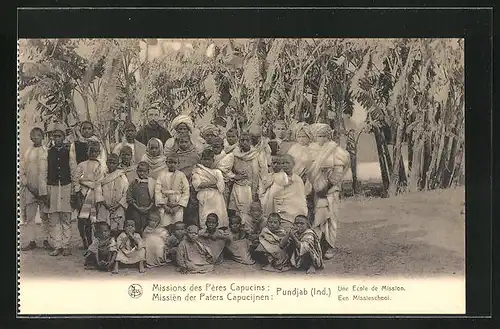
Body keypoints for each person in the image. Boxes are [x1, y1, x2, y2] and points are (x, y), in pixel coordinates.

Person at [308, 123, 350, 259]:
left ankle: (329, 246)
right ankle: (316, 245)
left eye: (323, 136)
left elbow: (338, 172)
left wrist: (325, 188)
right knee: (314, 217)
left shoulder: (335, 150)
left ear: (328, 136)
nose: (321, 139)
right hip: (313, 189)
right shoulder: (310, 149)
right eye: (318, 136)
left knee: (330, 217)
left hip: (330, 190)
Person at [42, 123, 76, 256]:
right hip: (53, 187)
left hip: (66, 187)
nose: (57, 139)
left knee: (66, 217)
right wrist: (45, 191)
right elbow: (44, 173)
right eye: (54, 136)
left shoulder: (69, 152)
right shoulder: (48, 153)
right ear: (52, 138)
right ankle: (57, 245)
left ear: (64, 137)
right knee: (54, 218)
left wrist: (74, 189)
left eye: (59, 136)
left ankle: (66, 245)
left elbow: (73, 171)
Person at [20, 127, 50, 251]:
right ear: (30, 137)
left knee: (45, 216)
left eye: (38, 135)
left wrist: (45, 190)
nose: (36, 137)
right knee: (30, 217)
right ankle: (32, 241)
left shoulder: (47, 152)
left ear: (42, 137)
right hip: (30, 189)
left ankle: (46, 240)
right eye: (33, 135)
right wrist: (28, 184)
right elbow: (22, 170)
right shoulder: (27, 152)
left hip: (44, 190)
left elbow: (50, 171)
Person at [229, 132, 267, 229]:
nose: (244, 142)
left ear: (251, 142)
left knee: (253, 213)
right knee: (241, 213)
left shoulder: (257, 154)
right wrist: (234, 176)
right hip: (240, 188)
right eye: (242, 140)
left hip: (254, 188)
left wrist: (260, 190)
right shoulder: (234, 153)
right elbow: (224, 169)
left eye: (247, 140)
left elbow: (263, 172)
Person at [262, 155, 308, 232]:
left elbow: (301, 199)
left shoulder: (298, 180)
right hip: (277, 211)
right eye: (283, 163)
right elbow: (271, 195)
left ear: (293, 164)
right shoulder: (275, 177)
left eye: (287, 163)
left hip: (294, 213)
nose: (285, 165)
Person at [74, 141, 105, 250]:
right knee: (83, 219)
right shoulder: (82, 164)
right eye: (91, 151)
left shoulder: (102, 165)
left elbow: (102, 180)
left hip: (96, 194)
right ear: (87, 152)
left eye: (96, 151)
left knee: (94, 219)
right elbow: (76, 179)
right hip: (83, 193)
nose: (93, 153)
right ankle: (84, 240)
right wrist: (78, 194)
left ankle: (94, 242)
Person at [191, 149, 228, 229]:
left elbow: (221, 186)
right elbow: (198, 184)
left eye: (209, 160)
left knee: (218, 216)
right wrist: (214, 183)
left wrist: (208, 184)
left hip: (217, 197)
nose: (206, 162)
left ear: (213, 160)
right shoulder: (197, 170)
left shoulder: (217, 172)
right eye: (204, 159)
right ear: (201, 160)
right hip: (204, 196)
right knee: (205, 217)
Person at [169, 134, 200, 226]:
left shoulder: (194, 155)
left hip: (191, 184)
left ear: (190, 143)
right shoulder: (175, 155)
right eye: (181, 142)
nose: (184, 144)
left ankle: (192, 226)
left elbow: (197, 168)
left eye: (186, 142)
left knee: (192, 206)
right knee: (179, 206)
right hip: (178, 185)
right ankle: (179, 227)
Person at [96, 154, 129, 238]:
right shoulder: (102, 176)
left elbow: (126, 192)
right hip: (104, 206)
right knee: (104, 227)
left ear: (118, 164)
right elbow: (98, 191)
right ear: (106, 163)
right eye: (110, 162)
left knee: (116, 228)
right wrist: (105, 204)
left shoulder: (122, 176)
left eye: (114, 163)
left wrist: (118, 205)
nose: (111, 165)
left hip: (118, 206)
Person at [155, 155, 190, 228]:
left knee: (177, 224)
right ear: (166, 163)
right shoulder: (161, 174)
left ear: (178, 163)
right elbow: (157, 191)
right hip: (165, 204)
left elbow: (186, 191)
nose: (172, 165)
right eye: (170, 162)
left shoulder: (181, 175)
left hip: (177, 205)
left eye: (174, 163)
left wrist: (178, 206)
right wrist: (164, 206)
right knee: (164, 224)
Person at [126, 161, 156, 234]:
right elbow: (129, 197)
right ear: (136, 171)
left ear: (148, 172)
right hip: (136, 209)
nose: (142, 173)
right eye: (140, 171)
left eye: (144, 171)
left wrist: (148, 208)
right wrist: (138, 208)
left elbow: (155, 197)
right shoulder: (133, 183)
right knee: (136, 225)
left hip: (148, 210)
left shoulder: (152, 183)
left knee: (147, 226)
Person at [210, 136, 235, 204]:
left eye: (217, 147)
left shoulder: (228, 157)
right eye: (213, 147)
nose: (215, 149)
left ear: (222, 147)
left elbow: (225, 172)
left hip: (223, 185)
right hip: (210, 185)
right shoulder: (209, 156)